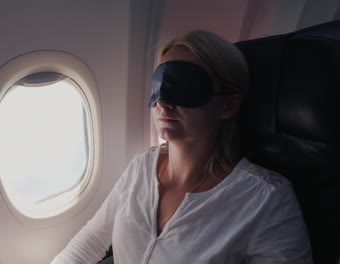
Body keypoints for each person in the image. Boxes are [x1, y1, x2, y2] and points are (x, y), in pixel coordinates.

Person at [51, 30, 312, 264]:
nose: (163, 102)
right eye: (158, 85)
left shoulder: (265, 198)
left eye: (185, 86)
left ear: (228, 105)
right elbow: (91, 242)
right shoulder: (142, 166)